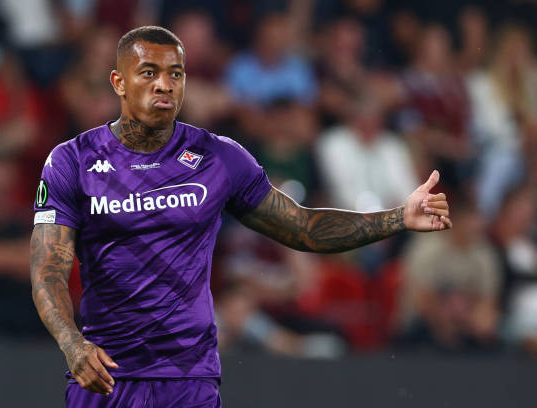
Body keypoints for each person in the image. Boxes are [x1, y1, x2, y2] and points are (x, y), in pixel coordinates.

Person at [30, 26, 452, 407]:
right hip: (106, 377)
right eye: (149, 72)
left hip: (188, 381)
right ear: (118, 83)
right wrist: (71, 343)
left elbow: (303, 228)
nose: (164, 84)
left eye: (176, 74)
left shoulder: (218, 157)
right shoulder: (72, 162)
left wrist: (398, 217)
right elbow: (48, 270)